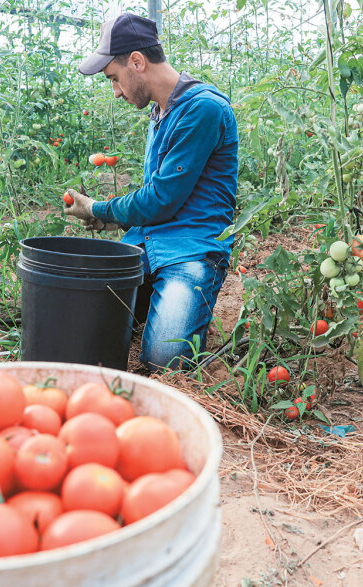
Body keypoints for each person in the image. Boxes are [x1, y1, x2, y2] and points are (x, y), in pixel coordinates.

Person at [65, 12, 238, 372]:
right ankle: (151, 303)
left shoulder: (203, 109)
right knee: (81, 317)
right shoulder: (162, 111)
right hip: (147, 243)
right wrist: (114, 223)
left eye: (114, 78)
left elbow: (161, 198)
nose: (115, 91)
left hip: (191, 249)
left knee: (164, 358)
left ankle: (181, 302)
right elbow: (160, 197)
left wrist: (100, 209)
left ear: (137, 62)